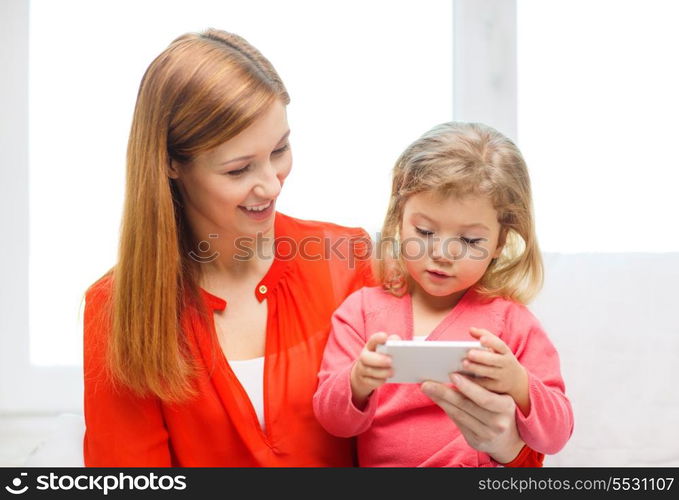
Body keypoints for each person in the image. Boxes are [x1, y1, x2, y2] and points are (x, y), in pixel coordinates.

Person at [83, 28, 541, 467]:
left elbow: (484, 456)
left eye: (280, 150)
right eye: (238, 169)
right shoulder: (117, 309)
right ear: (171, 164)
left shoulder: (352, 261)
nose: (270, 184)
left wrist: (506, 445)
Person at [313, 122, 574, 467]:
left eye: (469, 241)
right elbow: (334, 422)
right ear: (398, 219)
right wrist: (357, 381)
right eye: (424, 231)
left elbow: (555, 436)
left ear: (500, 241)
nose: (443, 253)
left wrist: (519, 383)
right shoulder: (361, 312)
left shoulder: (512, 322)